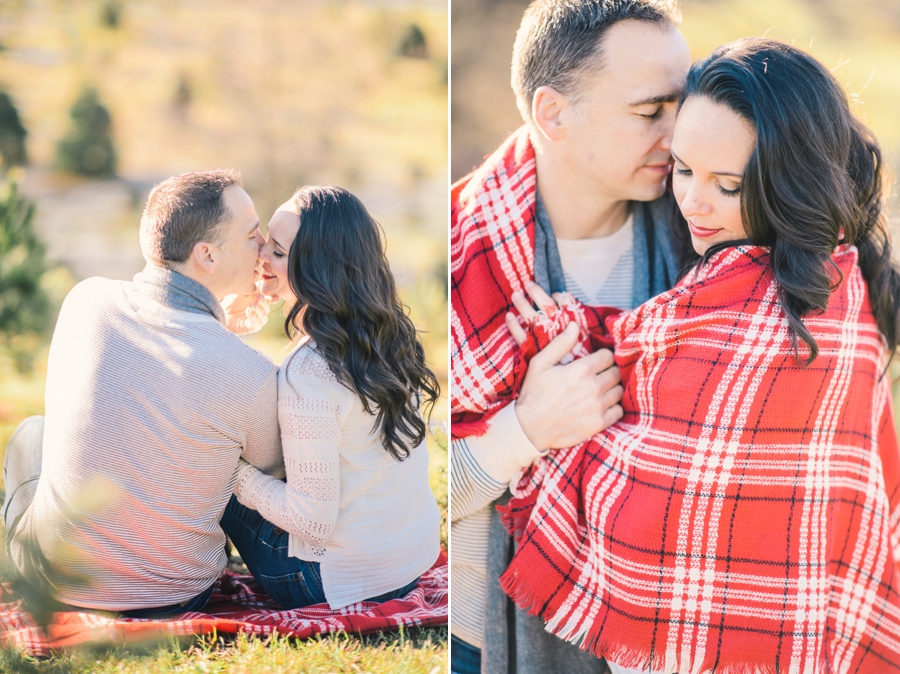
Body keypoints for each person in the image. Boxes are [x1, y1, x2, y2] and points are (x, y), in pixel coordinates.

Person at [495, 38, 900, 673]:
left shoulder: (832, 302)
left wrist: (540, 401)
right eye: (683, 170)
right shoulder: (718, 281)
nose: (693, 203)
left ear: (790, 180)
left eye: (729, 184)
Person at [449, 0, 690, 671]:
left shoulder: (713, 238)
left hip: (668, 641)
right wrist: (525, 430)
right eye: (650, 112)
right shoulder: (457, 257)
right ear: (553, 113)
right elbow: (401, 499)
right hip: (480, 646)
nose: (679, 136)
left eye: (683, 105)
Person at [2, 170, 283, 617]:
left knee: (32, 434)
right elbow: (275, 469)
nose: (264, 248)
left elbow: (170, 350)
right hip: (170, 597)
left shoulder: (85, 301)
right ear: (206, 254)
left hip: (51, 585)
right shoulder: (248, 371)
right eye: (252, 236)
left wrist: (218, 325)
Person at [220, 185, 442, 610]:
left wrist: (234, 475)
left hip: (327, 582)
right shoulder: (387, 335)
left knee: (206, 457)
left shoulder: (311, 371)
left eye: (279, 253)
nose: (261, 255)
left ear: (317, 270)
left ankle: (173, 576)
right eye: (267, 239)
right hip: (406, 564)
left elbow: (310, 522)